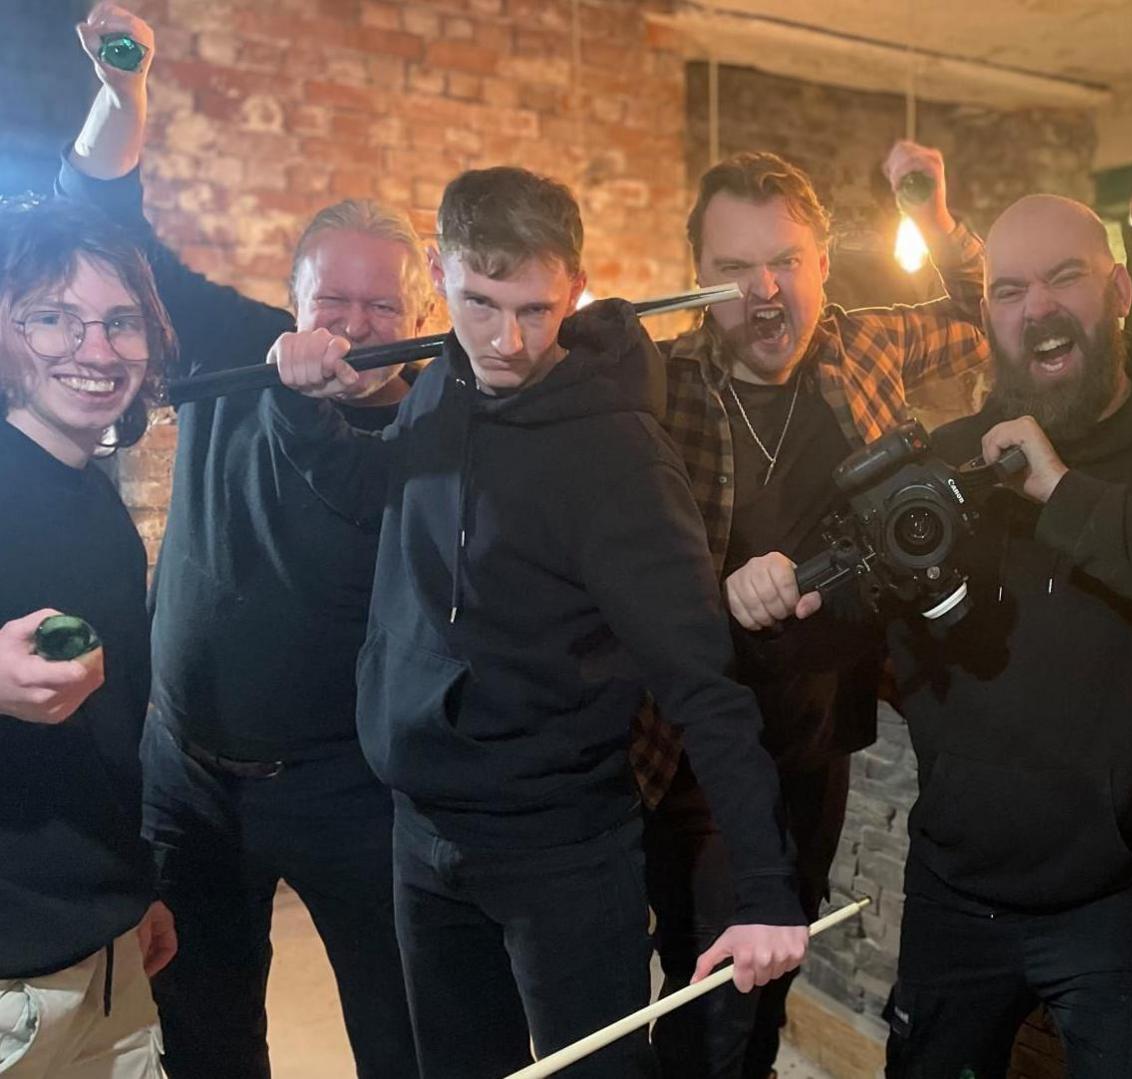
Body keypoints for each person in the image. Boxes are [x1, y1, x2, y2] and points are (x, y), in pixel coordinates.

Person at [733, 193, 1132, 1078]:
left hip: (1128, 895)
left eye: (1066, 278)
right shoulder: (942, 461)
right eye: (1009, 289)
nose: (1038, 307)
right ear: (987, 312)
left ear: (1119, 292)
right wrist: (768, 604)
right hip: (958, 889)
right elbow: (834, 630)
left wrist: (1062, 492)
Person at [266, 165, 807, 1077]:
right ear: (437, 271)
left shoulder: (619, 458)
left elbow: (702, 683)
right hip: (421, 830)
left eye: (536, 310)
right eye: (480, 303)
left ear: (575, 289)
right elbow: (383, 496)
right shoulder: (445, 382)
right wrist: (300, 409)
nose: (507, 341)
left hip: (562, 849)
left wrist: (766, 891)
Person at [59, 7, 424, 1074]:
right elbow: (102, 221)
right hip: (189, 772)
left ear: (420, 304)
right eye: (333, 300)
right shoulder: (239, 345)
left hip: (348, 786)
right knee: (208, 1035)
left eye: (381, 301)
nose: (355, 324)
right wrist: (124, 93)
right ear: (293, 296)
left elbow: (363, 500)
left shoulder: (430, 423)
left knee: (397, 1030)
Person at [646, 146, 989, 1078]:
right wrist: (716, 589)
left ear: (821, 266)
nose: (764, 289)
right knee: (718, 991)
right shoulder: (662, 383)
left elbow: (991, 317)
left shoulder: (861, 344)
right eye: (732, 269)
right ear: (699, 279)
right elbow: (613, 552)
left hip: (816, 740)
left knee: (761, 987)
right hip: (698, 752)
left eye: (786, 260)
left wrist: (937, 219)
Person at [0, 198, 178, 1078]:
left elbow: (107, 739)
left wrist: (130, 888)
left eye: (120, 322)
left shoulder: (98, 503)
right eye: (52, 319)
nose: (96, 349)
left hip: (106, 959)